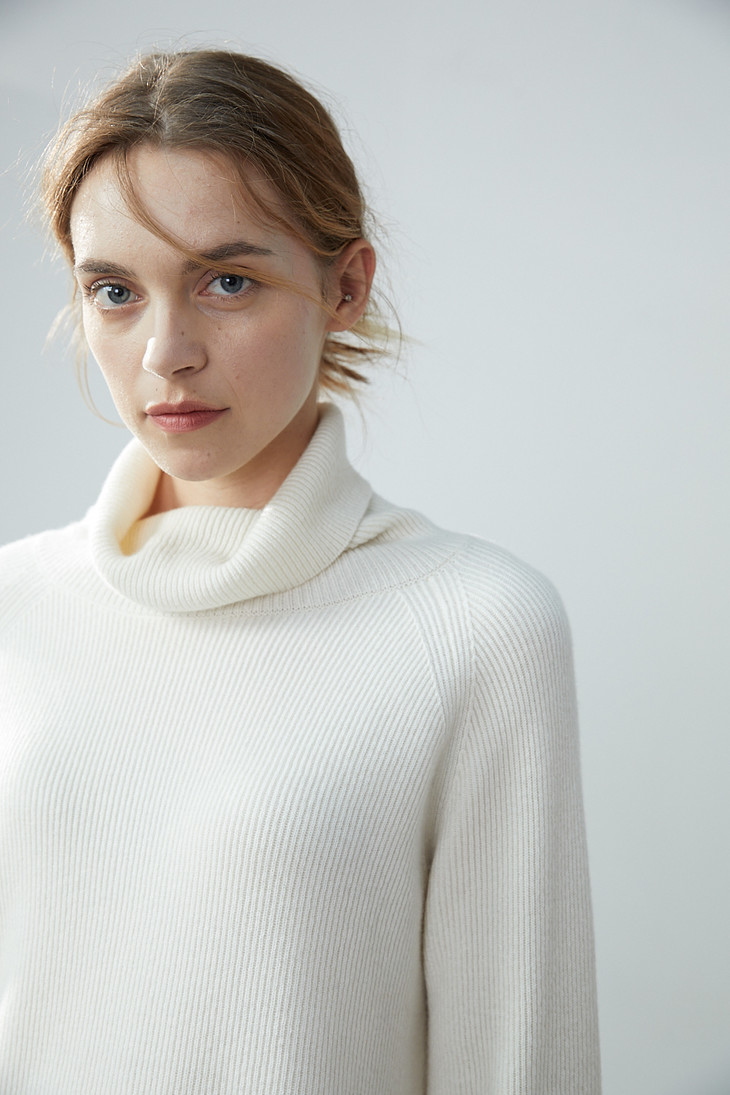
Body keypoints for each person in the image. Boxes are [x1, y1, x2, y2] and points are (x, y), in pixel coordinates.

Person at [0, 49, 601, 1094]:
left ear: (346, 285)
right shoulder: (15, 607)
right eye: (115, 291)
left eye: (226, 281)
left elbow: (519, 1059)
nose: (166, 352)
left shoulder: (476, 626)